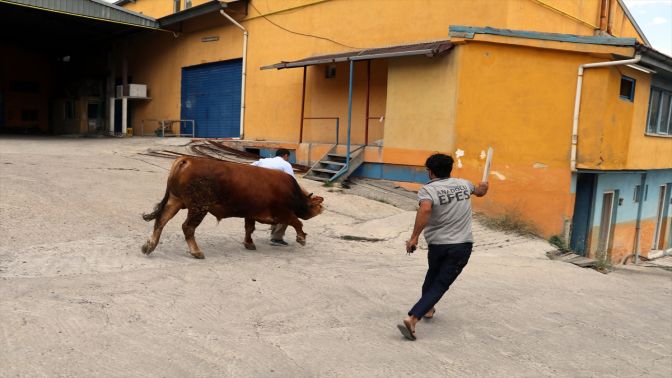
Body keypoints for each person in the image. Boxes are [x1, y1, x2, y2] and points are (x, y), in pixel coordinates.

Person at [397, 153, 488, 341]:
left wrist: (414, 238)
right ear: (450, 169)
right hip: (461, 246)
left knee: (433, 275)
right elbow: (479, 192)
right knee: (440, 283)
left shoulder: (428, 190)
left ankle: (428, 309)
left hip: (437, 245)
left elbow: (426, 208)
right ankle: (413, 317)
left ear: (430, 172)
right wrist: (484, 187)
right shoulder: (464, 184)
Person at [251, 148, 295, 246]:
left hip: (257, 193)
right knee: (287, 211)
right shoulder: (286, 164)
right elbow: (292, 181)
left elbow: (248, 169)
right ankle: (277, 238)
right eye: (288, 157)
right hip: (274, 195)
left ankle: (272, 228)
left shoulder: (263, 161)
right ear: (286, 156)